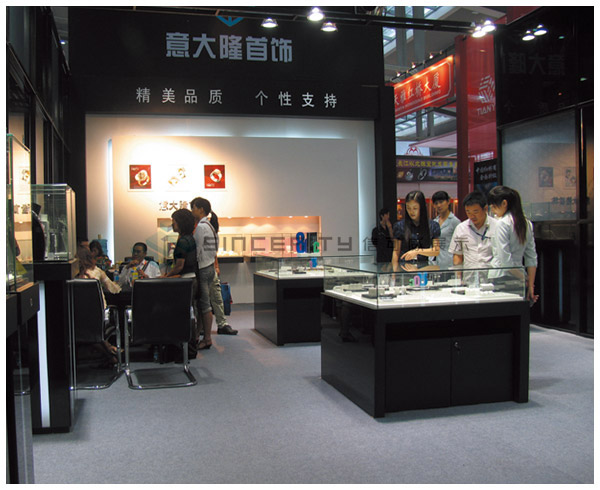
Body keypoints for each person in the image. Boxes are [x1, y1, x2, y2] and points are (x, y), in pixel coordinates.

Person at [488, 185, 539, 304]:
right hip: (520, 276)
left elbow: (505, 262)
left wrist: (525, 279)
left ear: (504, 203)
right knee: (518, 312)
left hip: (501, 277)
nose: (492, 210)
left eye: (493, 206)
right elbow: (531, 257)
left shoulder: (502, 224)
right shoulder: (527, 223)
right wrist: (530, 284)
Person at [75, 246, 121, 363]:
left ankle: (110, 352)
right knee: (92, 331)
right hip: (99, 315)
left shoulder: (72, 275)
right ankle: (111, 351)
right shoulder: (97, 271)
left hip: (77, 317)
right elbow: (114, 289)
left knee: (85, 330)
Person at [191, 197, 218, 350]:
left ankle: (207, 338)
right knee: (203, 304)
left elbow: (197, 250)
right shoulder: (209, 226)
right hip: (209, 267)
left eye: (193, 208)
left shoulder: (201, 227)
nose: (192, 211)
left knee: (205, 305)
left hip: (203, 268)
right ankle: (198, 335)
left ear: (201, 209)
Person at [448, 191, 498, 268]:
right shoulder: (461, 228)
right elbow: (457, 256)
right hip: (469, 273)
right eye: (468, 212)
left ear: (485, 209)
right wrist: (458, 274)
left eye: (475, 212)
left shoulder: (497, 226)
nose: (472, 216)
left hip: (491, 273)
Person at [391, 190, 440, 266]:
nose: (411, 212)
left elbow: (436, 250)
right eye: (408, 208)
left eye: (415, 208)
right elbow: (396, 252)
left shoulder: (433, 225)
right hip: (404, 268)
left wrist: (417, 251)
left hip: (424, 269)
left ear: (421, 208)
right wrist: (394, 271)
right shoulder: (399, 226)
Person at [208, 212, 238, 335]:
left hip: (210, 270)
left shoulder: (209, 233)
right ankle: (201, 327)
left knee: (217, 297)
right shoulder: (200, 230)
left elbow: (212, 253)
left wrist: (216, 266)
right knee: (203, 301)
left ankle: (222, 324)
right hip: (202, 270)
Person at [431, 191, 461, 268]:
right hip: (434, 262)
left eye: (441, 202)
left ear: (448, 202)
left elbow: (459, 245)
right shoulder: (434, 222)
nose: (439, 205)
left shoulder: (455, 221)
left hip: (449, 262)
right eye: (436, 203)